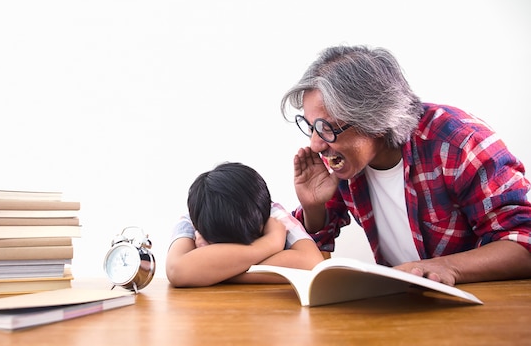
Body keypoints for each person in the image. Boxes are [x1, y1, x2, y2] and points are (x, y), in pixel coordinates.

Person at [280, 44, 531, 286]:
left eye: (327, 127)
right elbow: (308, 256)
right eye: (312, 127)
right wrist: (314, 208)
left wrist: (446, 266)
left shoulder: (459, 143)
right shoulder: (343, 161)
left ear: (374, 119)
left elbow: (523, 243)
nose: (315, 144)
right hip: (404, 307)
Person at [166, 162, 324, 287]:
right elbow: (176, 271)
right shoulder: (193, 219)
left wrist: (213, 272)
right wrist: (270, 243)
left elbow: (313, 264)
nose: (235, 253)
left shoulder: (273, 214)